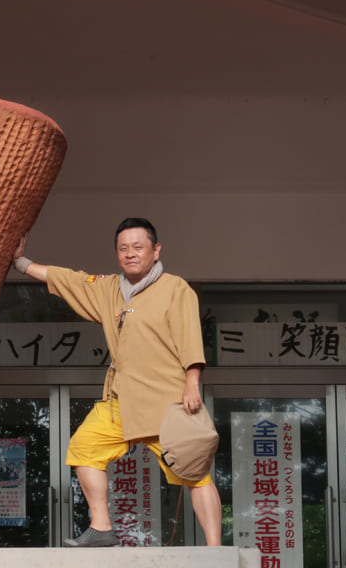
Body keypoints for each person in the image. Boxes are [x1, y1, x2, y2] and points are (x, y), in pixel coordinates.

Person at [12, 217, 222, 547]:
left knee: (195, 473)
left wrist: (192, 381)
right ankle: (102, 527)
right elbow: (69, 280)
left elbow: (190, 337)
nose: (130, 254)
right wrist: (21, 263)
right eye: (123, 248)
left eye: (138, 247)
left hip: (169, 401)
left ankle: (215, 550)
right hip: (120, 400)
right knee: (83, 451)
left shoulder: (175, 288)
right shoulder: (109, 289)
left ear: (156, 251)